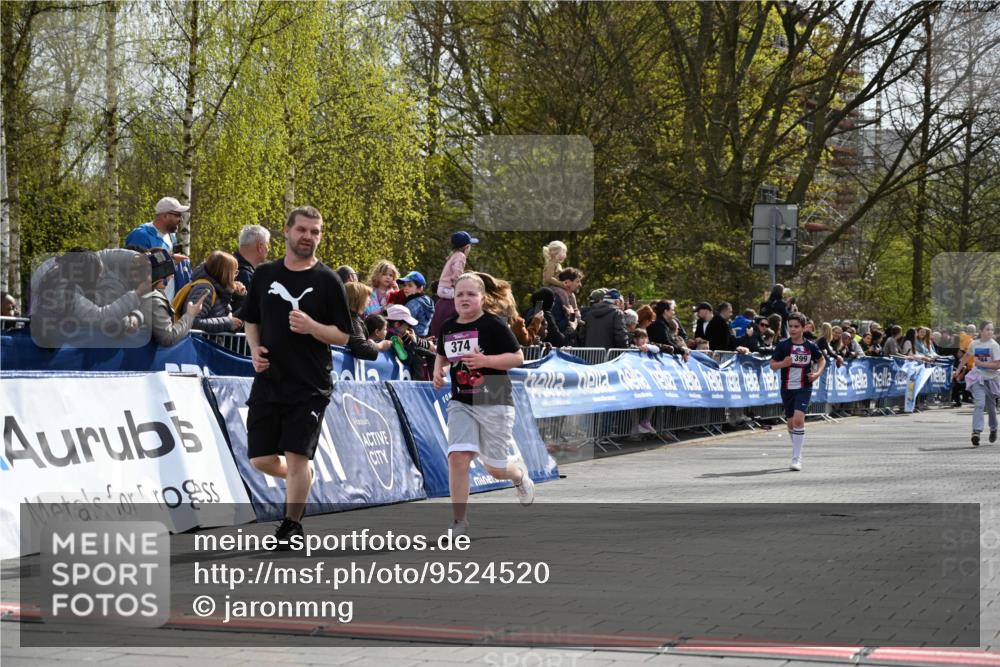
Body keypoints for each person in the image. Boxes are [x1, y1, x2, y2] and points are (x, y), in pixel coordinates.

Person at [241, 206, 351, 548]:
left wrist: (313, 327)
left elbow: (344, 335)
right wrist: (255, 349)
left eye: (315, 232)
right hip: (270, 379)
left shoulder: (327, 280)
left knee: (296, 455)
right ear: (287, 232)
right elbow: (251, 319)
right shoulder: (264, 275)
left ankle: (291, 524)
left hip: (310, 383)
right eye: (302, 230)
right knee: (260, 458)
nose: (308, 237)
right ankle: (300, 481)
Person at [433, 272, 534, 537]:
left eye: (471, 294)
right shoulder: (448, 326)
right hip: (461, 399)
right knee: (458, 457)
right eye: (459, 294)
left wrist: (486, 362)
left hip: (494, 397)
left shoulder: (494, 325)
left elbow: (517, 358)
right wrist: (438, 370)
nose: (464, 299)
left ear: (482, 297)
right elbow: (442, 354)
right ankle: (459, 523)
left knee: (495, 468)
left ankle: (518, 475)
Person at [30, 248, 150, 348]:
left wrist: (135, 258)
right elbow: (102, 317)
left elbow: (103, 256)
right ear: (86, 279)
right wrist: (137, 294)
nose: (102, 276)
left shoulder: (66, 263)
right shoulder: (67, 297)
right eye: (98, 275)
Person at [770, 313, 826, 471]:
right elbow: (772, 365)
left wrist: (816, 374)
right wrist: (783, 363)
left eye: (796, 326)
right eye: (790, 326)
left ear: (803, 327)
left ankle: (797, 458)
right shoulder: (783, 345)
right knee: (790, 422)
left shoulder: (810, 346)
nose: (793, 329)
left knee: (798, 420)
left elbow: (822, 360)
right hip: (787, 388)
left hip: (804, 386)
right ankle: (796, 449)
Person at [124, 196, 192, 296]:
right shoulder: (141, 235)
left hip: (169, 301)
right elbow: (134, 270)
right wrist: (171, 259)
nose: (181, 220)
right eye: (178, 215)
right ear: (165, 216)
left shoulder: (171, 235)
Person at [143, 248, 205, 347]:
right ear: (160, 274)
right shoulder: (153, 300)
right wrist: (190, 315)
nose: (171, 277)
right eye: (169, 273)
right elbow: (168, 337)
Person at [175, 251, 245, 333]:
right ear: (224, 274)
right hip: (197, 345)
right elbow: (192, 322)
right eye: (234, 272)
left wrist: (242, 297)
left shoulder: (217, 289)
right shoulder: (205, 289)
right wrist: (227, 323)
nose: (235, 276)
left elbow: (226, 320)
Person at [955, 321, 1000, 447]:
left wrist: (982, 364)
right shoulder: (974, 343)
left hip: (992, 380)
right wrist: (958, 370)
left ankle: (993, 428)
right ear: (981, 331)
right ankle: (976, 432)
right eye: (987, 329)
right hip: (977, 377)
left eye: (991, 329)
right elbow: (966, 357)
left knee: (991, 408)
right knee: (980, 404)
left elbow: (997, 364)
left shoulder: (994, 346)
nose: (990, 332)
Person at [429, 231, 477, 339]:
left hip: (442, 289)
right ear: (466, 247)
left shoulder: (453, 255)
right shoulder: (461, 256)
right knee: (464, 297)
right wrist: (460, 284)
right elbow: (457, 272)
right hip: (448, 288)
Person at [387, 304, 437, 380]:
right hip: (410, 373)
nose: (410, 327)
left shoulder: (397, 333)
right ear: (397, 324)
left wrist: (423, 342)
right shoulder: (393, 338)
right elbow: (406, 360)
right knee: (417, 359)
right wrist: (413, 343)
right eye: (408, 325)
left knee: (432, 355)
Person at [344, 282, 391, 360]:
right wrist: (380, 346)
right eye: (367, 297)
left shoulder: (352, 317)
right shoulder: (352, 320)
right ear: (358, 299)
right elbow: (362, 350)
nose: (369, 301)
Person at [232, 224, 270, 311]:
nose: (268, 249)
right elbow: (249, 315)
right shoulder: (245, 275)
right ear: (260, 247)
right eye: (267, 244)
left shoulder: (228, 266)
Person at [396, 271, 434, 337]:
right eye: (404, 285)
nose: (406, 288)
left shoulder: (413, 303)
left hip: (411, 338)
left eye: (410, 285)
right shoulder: (427, 300)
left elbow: (404, 325)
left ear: (419, 289)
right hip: (423, 336)